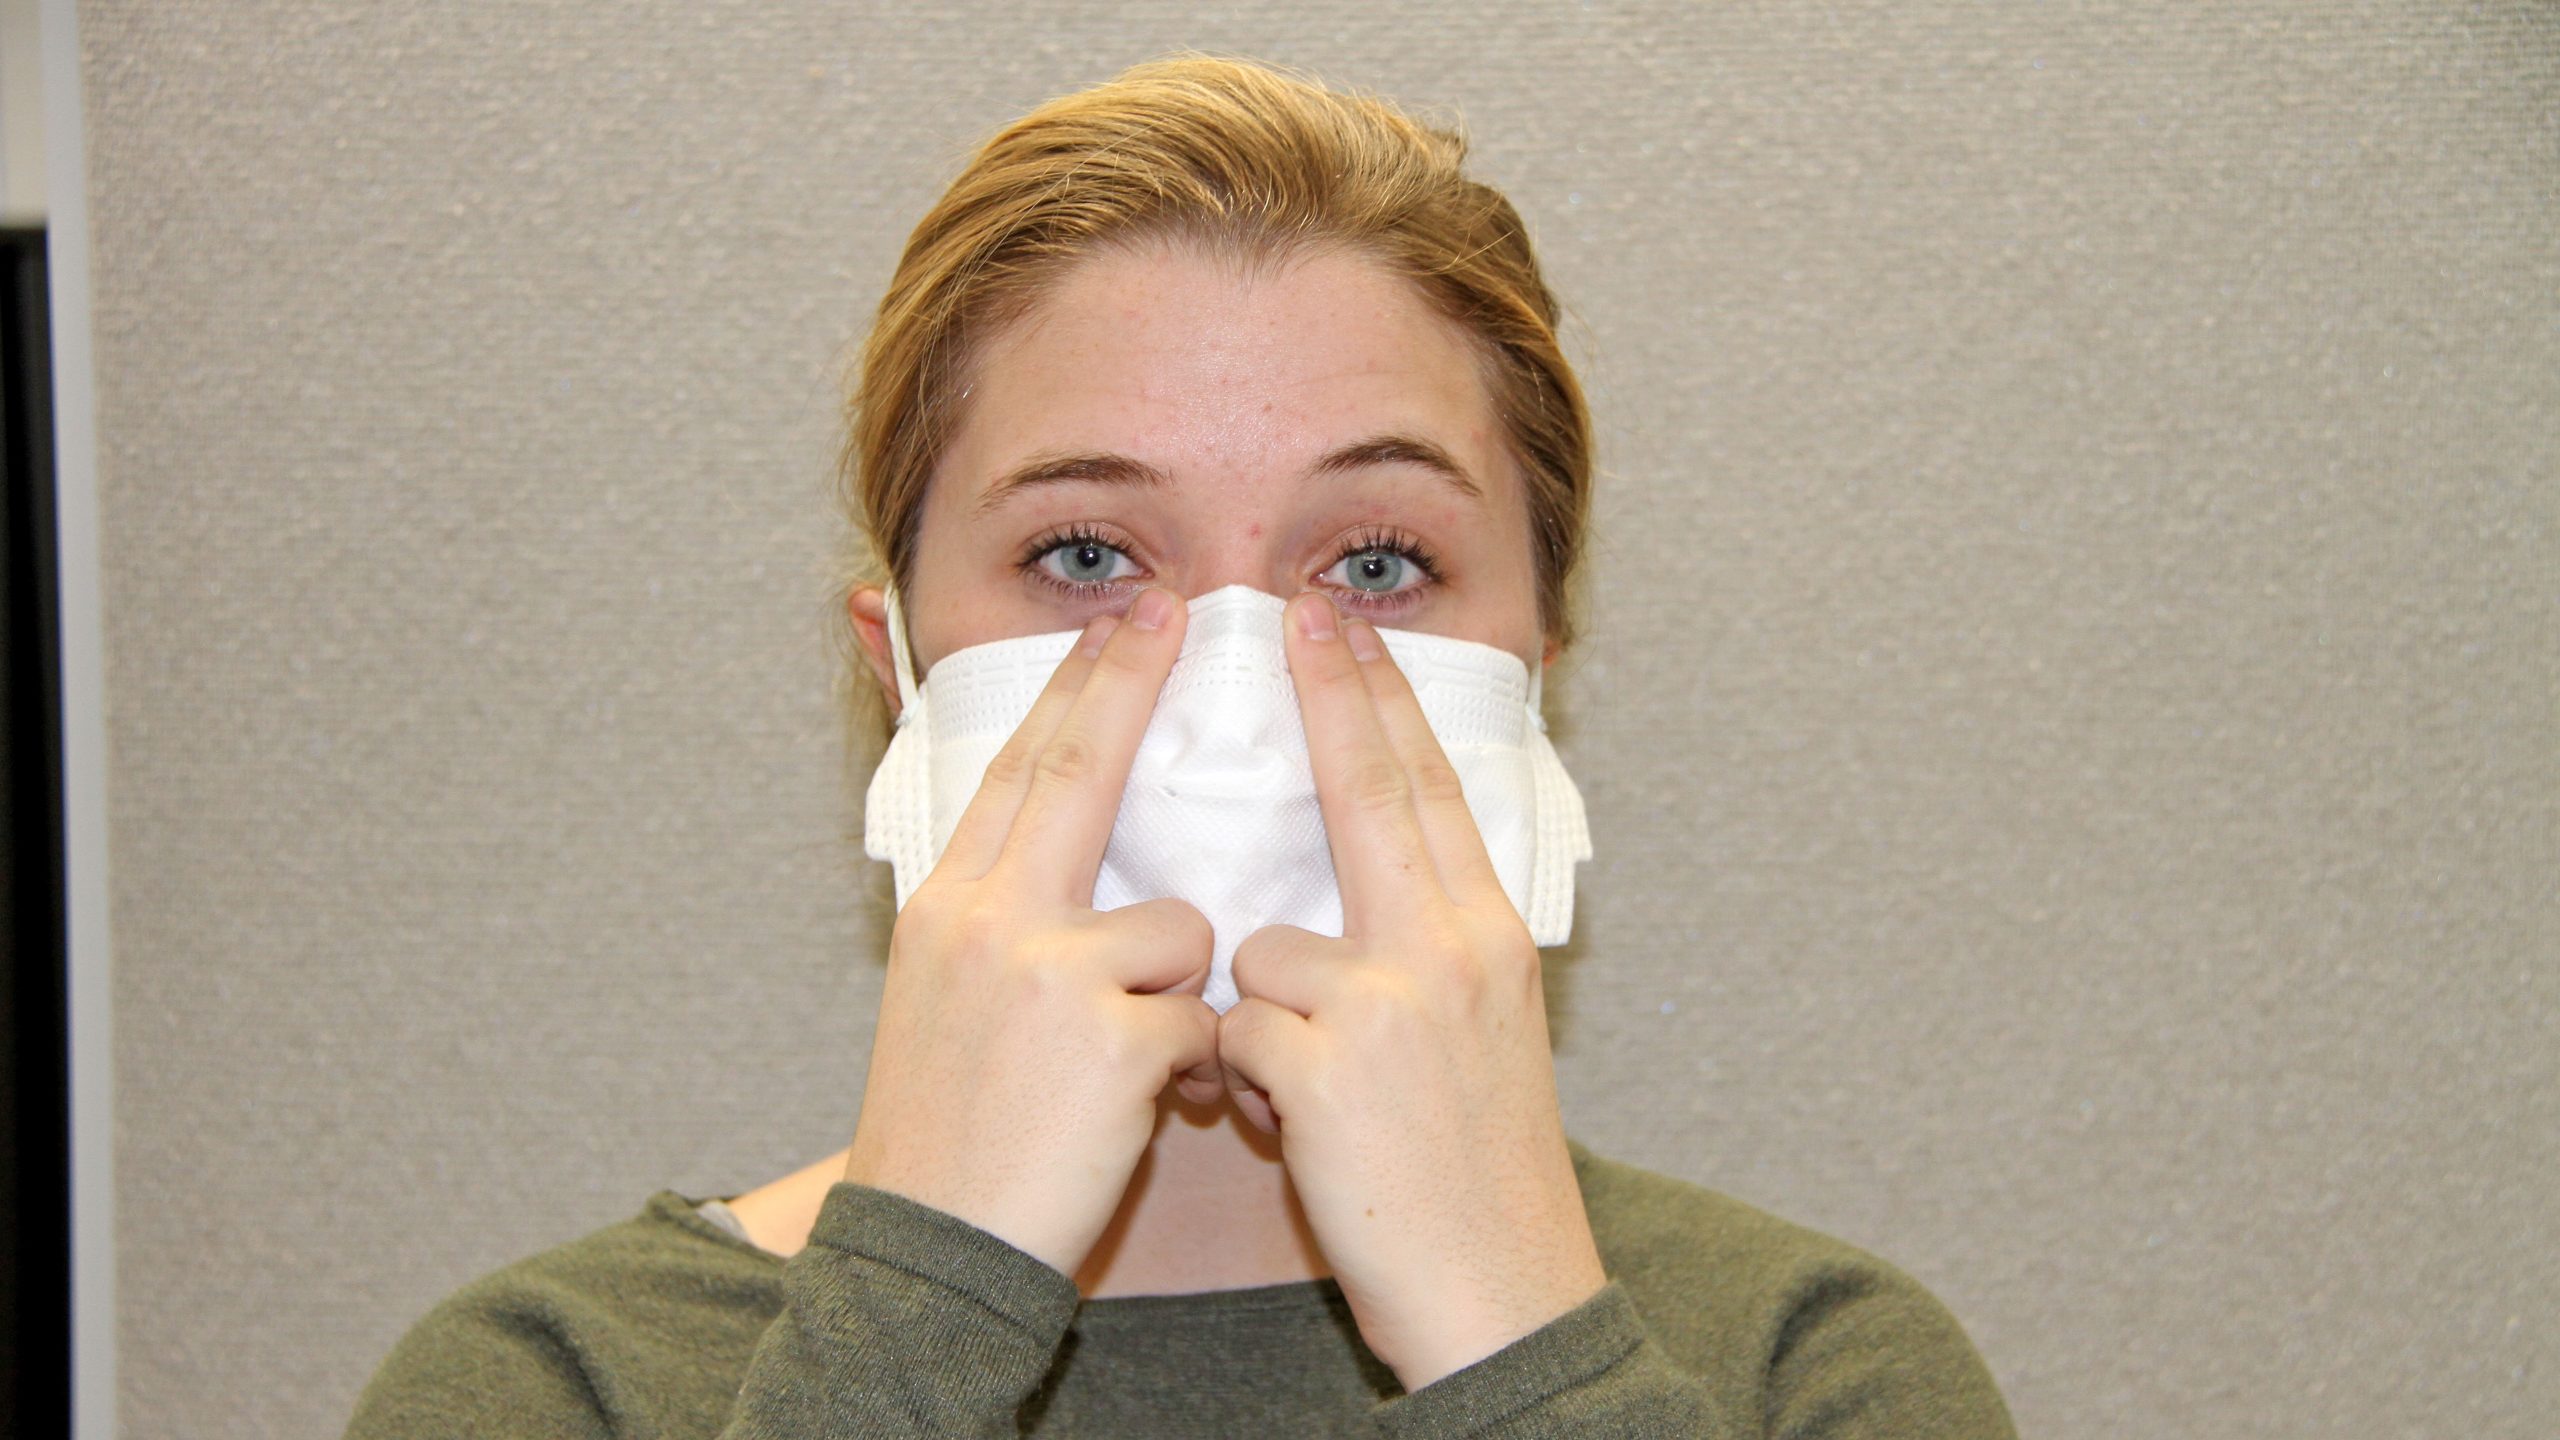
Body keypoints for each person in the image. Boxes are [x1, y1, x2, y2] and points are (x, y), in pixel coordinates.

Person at [345, 55, 2017, 1438]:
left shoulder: (1811, 1371)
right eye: (1087, 557)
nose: (1238, 695)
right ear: (899, 680)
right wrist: (919, 1307)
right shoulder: (556, 1388)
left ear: (1533, 684)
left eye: (1374, 564)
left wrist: (1520, 1347)